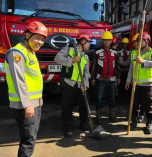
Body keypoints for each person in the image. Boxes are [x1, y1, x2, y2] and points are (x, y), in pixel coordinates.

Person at [4, 21, 47, 157]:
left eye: (42, 40)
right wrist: (27, 104)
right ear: (27, 35)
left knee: (32, 136)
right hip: (25, 104)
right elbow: (19, 80)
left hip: (34, 102)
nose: (39, 42)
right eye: (37, 38)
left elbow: (33, 79)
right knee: (28, 139)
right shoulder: (17, 53)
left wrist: (38, 98)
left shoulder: (30, 52)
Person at [54, 33, 91, 136]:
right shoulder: (68, 49)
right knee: (67, 106)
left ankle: (83, 124)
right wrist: (72, 60)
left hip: (80, 85)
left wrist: (86, 85)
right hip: (68, 83)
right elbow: (57, 58)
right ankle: (67, 127)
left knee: (83, 105)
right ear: (83, 42)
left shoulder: (86, 57)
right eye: (88, 43)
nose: (89, 45)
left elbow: (87, 73)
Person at [125, 32, 152, 134]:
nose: (138, 43)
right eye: (137, 41)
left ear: (147, 42)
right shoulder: (134, 53)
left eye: (140, 41)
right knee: (135, 104)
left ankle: (149, 122)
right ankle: (134, 120)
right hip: (136, 84)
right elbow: (131, 68)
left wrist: (143, 62)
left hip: (148, 85)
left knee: (149, 105)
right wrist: (128, 81)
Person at [91, 31, 120, 124]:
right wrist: (92, 78)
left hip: (112, 79)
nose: (107, 42)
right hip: (100, 79)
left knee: (112, 98)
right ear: (102, 41)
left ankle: (112, 115)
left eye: (108, 40)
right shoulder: (97, 52)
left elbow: (117, 66)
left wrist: (119, 77)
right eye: (105, 40)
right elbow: (94, 66)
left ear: (111, 41)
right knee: (99, 98)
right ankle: (98, 117)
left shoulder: (115, 52)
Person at [117, 37, 131, 104]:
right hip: (120, 71)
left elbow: (127, 63)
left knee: (127, 86)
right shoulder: (119, 52)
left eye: (126, 44)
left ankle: (126, 99)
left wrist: (120, 62)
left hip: (127, 71)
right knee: (120, 86)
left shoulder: (130, 52)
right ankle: (120, 100)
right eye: (124, 44)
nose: (125, 45)